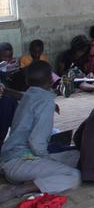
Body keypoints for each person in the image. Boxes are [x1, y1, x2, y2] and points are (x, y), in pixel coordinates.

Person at [0, 61, 80, 203]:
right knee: (74, 176)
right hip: (19, 163)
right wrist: (47, 159)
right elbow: (36, 143)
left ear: (26, 80)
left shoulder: (29, 94)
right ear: (51, 79)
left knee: (76, 155)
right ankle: (18, 190)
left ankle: (34, 178)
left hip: (12, 159)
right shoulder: (45, 102)